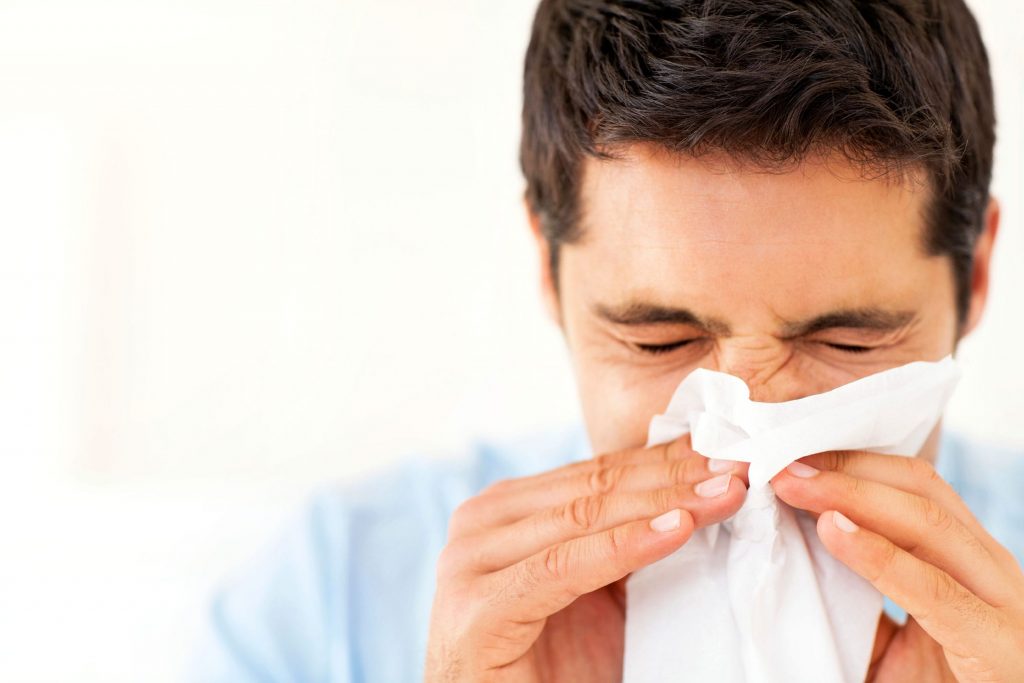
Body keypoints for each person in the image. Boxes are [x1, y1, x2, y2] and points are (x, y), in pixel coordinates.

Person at [189, 1, 1024, 680]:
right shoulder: (327, 603)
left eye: (848, 342)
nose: (750, 443)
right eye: (660, 341)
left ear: (977, 275)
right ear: (550, 274)